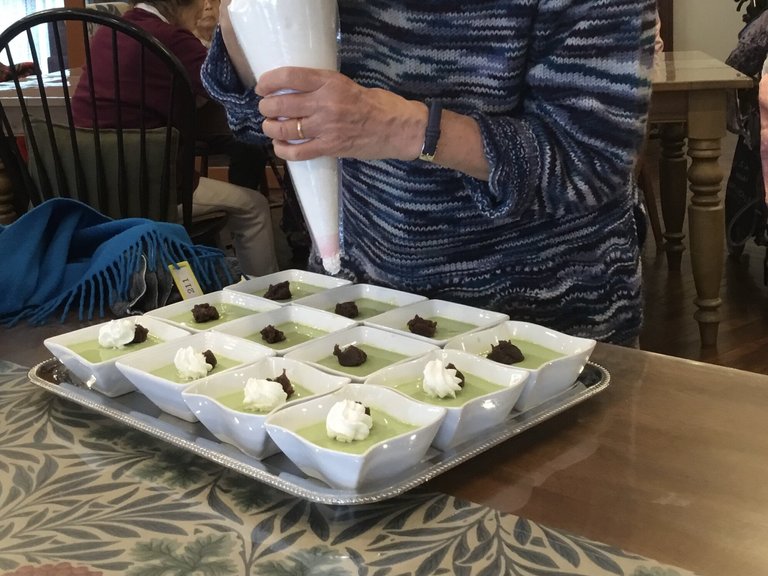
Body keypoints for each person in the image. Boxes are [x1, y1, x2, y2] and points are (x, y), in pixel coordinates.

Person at [201, 1, 657, 346]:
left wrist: (403, 128)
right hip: (360, 309)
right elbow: (259, 124)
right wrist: (242, 19)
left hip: (540, 330)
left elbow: (591, 163)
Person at [72, 0, 278, 277]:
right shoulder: (172, 39)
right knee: (254, 206)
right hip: (145, 188)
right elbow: (236, 88)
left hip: (86, 187)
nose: (205, 7)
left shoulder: (108, 31)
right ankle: (265, 291)